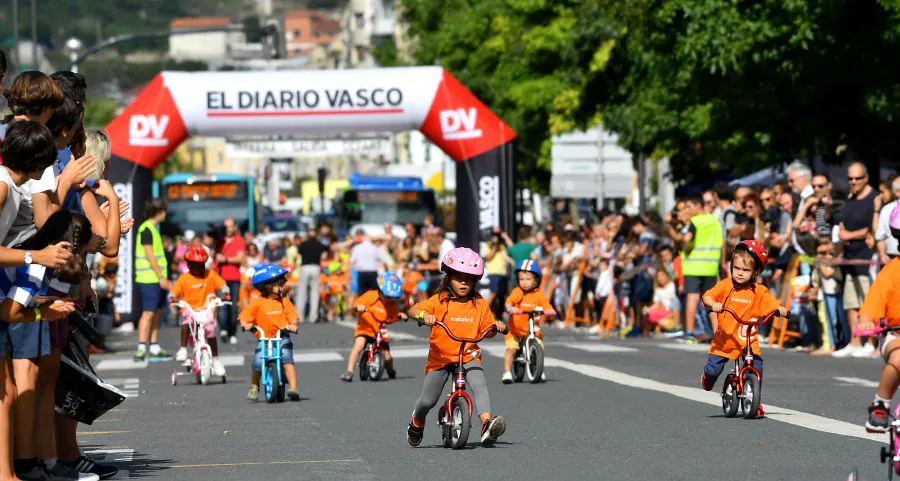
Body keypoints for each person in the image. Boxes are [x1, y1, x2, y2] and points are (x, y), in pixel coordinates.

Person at [2, 211, 91, 481]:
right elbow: (10, 311)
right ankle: (22, 466)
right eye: (81, 253)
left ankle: (26, 463)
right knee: (11, 391)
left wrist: (44, 307)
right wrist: (45, 313)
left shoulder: (27, 254)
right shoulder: (38, 267)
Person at [406, 248, 509, 447]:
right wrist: (423, 316)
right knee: (427, 400)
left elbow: (487, 329)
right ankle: (417, 421)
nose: (464, 283)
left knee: (479, 384)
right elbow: (413, 309)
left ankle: (486, 424)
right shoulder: (439, 300)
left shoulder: (479, 304)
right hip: (441, 357)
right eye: (459, 278)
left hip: (468, 354)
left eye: (469, 279)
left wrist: (496, 327)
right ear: (448, 277)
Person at [699, 240, 788, 418]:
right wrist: (713, 304)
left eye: (746, 270)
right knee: (713, 370)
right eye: (737, 268)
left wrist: (779, 309)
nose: (740, 273)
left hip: (748, 339)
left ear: (755, 272)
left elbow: (770, 303)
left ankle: (755, 400)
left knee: (756, 366)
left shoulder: (759, 291)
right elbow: (708, 296)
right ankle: (707, 377)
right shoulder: (725, 285)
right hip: (725, 338)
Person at [858, 203, 900, 431]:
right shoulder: (892, 271)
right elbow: (874, 301)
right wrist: (867, 318)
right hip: (896, 334)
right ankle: (881, 404)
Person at [834, 162, 879, 359]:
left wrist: (849, 235)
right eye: (850, 178)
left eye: (857, 178)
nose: (853, 182)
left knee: (867, 302)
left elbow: (872, 228)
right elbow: (842, 224)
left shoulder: (874, 198)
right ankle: (855, 341)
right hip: (850, 257)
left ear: (866, 178)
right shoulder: (850, 199)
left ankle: (870, 341)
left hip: (866, 258)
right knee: (850, 302)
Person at [239, 264, 300, 402]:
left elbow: (292, 316)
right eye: (278, 284)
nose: (282, 287)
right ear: (266, 287)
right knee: (257, 362)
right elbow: (245, 315)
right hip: (265, 339)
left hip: (282, 337)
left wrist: (293, 325)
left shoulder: (284, 301)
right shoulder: (258, 303)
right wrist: (246, 324)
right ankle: (254, 386)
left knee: (287, 360)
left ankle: (293, 388)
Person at [171, 245, 229, 378]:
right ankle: (183, 349)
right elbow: (173, 293)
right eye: (197, 264)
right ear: (190, 265)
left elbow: (224, 286)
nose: (201, 267)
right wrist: (173, 298)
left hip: (207, 308)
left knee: (210, 330)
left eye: (202, 264)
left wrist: (225, 294)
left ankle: (215, 360)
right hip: (190, 309)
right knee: (187, 321)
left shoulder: (211, 274)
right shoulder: (184, 278)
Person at [340, 272, 407, 382]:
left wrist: (400, 315)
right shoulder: (370, 295)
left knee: (388, 356)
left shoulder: (391, 305)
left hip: (380, 330)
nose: (390, 300)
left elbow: (393, 316)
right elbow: (356, 305)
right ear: (380, 291)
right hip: (365, 328)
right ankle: (349, 371)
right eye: (388, 296)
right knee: (359, 345)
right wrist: (358, 307)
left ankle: (390, 370)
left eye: (393, 298)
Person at [677, 197, 723, 342]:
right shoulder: (715, 221)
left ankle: (690, 332)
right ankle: (718, 333)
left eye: (689, 206)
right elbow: (722, 243)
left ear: (698, 205)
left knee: (692, 298)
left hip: (694, 266)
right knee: (711, 301)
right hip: (711, 266)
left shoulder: (695, 222)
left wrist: (684, 246)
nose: (688, 210)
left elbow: (686, 239)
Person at [502, 260, 555, 383]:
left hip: (532, 328)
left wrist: (550, 311)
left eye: (528, 279)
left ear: (536, 281)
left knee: (539, 345)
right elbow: (509, 301)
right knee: (512, 348)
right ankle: (507, 372)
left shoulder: (539, 295)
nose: (524, 282)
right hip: (515, 329)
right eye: (521, 279)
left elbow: (546, 304)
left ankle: (538, 369)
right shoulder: (517, 292)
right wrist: (510, 307)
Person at [134, 198, 170, 361]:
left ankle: (154, 345)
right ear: (159, 212)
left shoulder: (153, 229)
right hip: (149, 279)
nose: (166, 214)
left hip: (155, 279)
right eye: (164, 211)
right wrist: (161, 277)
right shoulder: (146, 229)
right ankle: (141, 347)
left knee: (157, 312)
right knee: (148, 313)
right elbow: (150, 255)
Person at [216, 217, 245, 344]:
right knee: (221, 305)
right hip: (220, 279)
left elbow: (240, 259)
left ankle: (232, 331)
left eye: (230, 226)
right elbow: (213, 255)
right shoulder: (219, 241)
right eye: (225, 226)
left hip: (234, 278)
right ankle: (223, 330)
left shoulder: (239, 241)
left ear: (234, 227)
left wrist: (225, 259)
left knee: (232, 307)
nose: (227, 229)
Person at [296, 228, 327, 323]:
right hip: (316, 267)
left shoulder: (303, 244)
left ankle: (299, 316)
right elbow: (326, 249)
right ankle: (313, 317)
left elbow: (299, 252)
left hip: (305, 267)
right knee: (314, 292)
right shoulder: (319, 244)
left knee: (302, 292)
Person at [350, 229, 386, 296]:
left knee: (362, 293)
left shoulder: (356, 248)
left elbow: (352, 261)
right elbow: (383, 260)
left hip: (361, 273)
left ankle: (363, 305)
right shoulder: (375, 248)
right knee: (374, 293)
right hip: (372, 273)